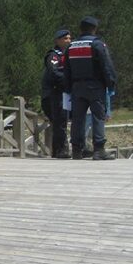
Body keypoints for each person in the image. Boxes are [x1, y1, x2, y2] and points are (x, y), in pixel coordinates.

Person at [63, 16, 117, 161]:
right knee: (98, 117)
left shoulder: (71, 46)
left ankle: (76, 150)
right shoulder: (97, 45)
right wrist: (110, 84)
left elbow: (66, 70)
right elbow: (107, 66)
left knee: (77, 119)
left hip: (76, 87)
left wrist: (68, 88)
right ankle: (99, 150)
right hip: (95, 86)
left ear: (80, 29)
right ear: (94, 29)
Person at [41, 29, 71, 158]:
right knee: (59, 121)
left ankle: (59, 150)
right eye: (65, 39)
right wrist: (68, 80)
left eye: (69, 38)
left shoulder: (68, 54)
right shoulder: (54, 55)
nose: (68, 41)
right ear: (57, 41)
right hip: (53, 93)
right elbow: (54, 73)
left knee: (62, 122)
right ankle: (60, 150)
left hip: (64, 93)